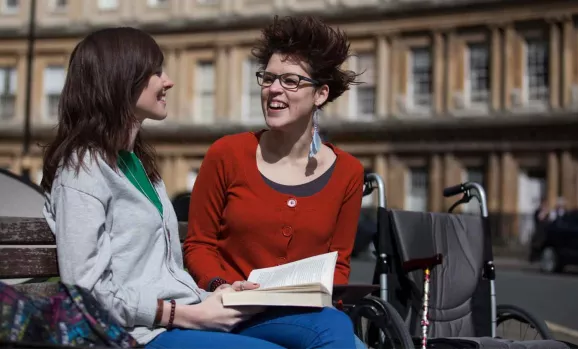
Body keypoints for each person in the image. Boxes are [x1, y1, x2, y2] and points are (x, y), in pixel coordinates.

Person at [40, 27, 357, 349]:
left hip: (185, 311)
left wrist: (214, 296)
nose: (168, 81)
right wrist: (186, 312)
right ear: (122, 80)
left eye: (290, 81)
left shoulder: (137, 164)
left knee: (332, 324)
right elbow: (86, 291)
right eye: (155, 72)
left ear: (321, 94)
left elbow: (163, 276)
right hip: (138, 333)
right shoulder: (82, 171)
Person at [183, 15, 366, 348]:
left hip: (307, 315)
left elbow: (338, 264)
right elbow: (199, 244)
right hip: (229, 313)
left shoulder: (349, 172)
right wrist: (220, 285)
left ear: (320, 94)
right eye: (268, 79)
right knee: (335, 332)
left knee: (337, 330)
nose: (274, 89)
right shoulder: (226, 153)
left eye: (291, 81)